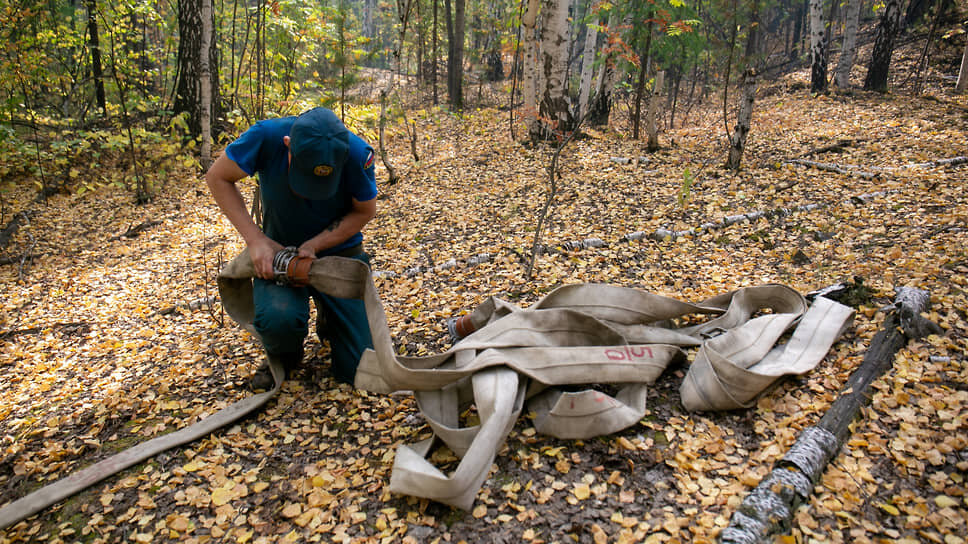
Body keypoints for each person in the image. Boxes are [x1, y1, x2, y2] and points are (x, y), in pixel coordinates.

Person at [205, 107, 377, 390]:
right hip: (278, 254)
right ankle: (286, 354)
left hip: (339, 254)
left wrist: (316, 244)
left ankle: (331, 320)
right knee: (278, 319)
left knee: (361, 371)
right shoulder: (266, 136)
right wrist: (256, 240)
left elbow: (365, 211)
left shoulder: (357, 153)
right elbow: (217, 177)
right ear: (287, 144)